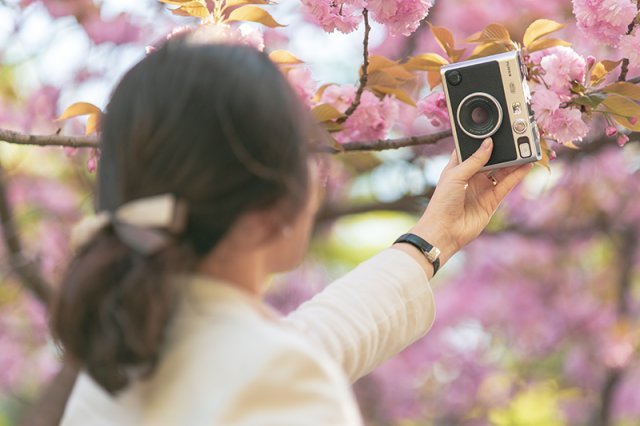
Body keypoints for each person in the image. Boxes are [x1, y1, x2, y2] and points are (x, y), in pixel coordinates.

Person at [51, 34, 531, 425]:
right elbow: (279, 364)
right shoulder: (279, 384)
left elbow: (306, 342)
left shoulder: (116, 370)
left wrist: (432, 240)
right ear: (269, 198)